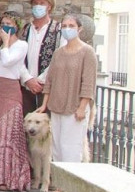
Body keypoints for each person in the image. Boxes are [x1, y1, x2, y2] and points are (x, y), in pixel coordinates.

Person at [36, 13, 97, 164]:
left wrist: (82, 107)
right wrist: (44, 105)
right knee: (57, 149)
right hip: (56, 106)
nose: (67, 29)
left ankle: (70, 187)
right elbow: (50, 80)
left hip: (75, 106)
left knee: (71, 148)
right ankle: (58, 185)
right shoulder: (58, 53)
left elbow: (89, 83)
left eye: (71, 26)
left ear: (79, 29)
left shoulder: (87, 52)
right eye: (64, 26)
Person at [0, 11, 30, 192]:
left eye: (9, 23)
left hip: (10, 91)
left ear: (16, 25)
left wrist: (5, 44)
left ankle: (8, 178)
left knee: (7, 133)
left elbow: (9, 61)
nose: (5, 26)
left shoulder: (21, 45)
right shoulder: (2, 46)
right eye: (3, 23)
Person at [20, 0, 63, 115]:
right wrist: (28, 79)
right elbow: (19, 57)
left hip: (48, 89)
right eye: (35, 3)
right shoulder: (25, 29)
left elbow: (59, 58)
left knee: (47, 126)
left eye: (42, 3)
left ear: (49, 6)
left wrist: (40, 80)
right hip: (26, 87)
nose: (38, 6)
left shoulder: (59, 29)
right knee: (27, 126)